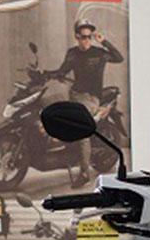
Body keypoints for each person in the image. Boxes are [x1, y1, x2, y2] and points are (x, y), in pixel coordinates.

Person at [52, 19, 123, 185]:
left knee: (81, 130)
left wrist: (104, 41)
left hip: (91, 98)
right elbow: (63, 70)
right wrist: (50, 74)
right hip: (75, 95)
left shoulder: (99, 53)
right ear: (76, 36)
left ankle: (84, 173)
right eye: (83, 37)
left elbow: (119, 58)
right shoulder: (72, 53)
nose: (86, 40)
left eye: (89, 37)